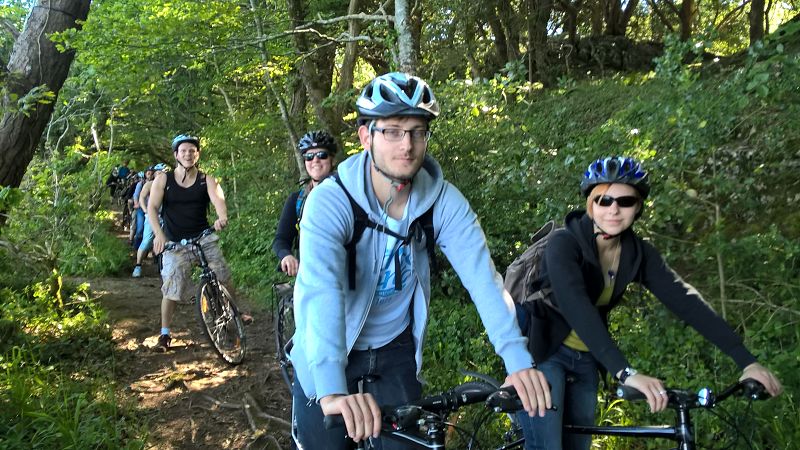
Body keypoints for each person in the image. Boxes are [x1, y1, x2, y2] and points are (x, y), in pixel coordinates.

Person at [290, 72, 551, 449]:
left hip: (394, 349)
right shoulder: (331, 201)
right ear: (365, 137)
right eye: (392, 131)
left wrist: (518, 360)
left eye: (417, 131)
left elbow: (484, 280)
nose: (407, 145)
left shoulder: (442, 201)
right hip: (327, 348)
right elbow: (321, 290)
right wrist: (331, 389)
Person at [514, 156, 783, 450]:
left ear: (638, 207)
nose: (613, 209)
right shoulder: (564, 243)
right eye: (604, 200)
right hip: (545, 352)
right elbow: (577, 306)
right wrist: (625, 372)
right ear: (590, 204)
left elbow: (686, 301)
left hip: (587, 358)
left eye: (625, 201)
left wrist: (747, 361)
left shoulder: (636, 253)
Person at [147, 135, 232, 352]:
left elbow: (218, 200)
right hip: (175, 241)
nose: (188, 154)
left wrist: (221, 217)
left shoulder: (206, 179)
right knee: (172, 287)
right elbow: (152, 208)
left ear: (198, 154)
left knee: (222, 274)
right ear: (176, 155)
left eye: (192, 151)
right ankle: (165, 333)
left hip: (203, 237)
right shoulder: (163, 180)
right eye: (183, 151)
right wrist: (159, 235)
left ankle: (234, 313)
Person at [272, 130, 338, 276]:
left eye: (322, 155)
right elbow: (281, 239)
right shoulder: (297, 200)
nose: (315, 160)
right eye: (309, 157)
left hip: (346, 275)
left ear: (332, 160)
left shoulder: (348, 194)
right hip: (311, 277)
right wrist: (286, 255)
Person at [132, 163, 169, 278]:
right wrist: (145, 210)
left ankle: (166, 267)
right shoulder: (149, 184)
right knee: (147, 241)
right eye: (158, 172)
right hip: (152, 216)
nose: (160, 175)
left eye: (163, 173)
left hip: (166, 217)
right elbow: (141, 197)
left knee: (168, 241)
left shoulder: (170, 185)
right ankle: (138, 265)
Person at [132, 168, 153, 250]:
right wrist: (136, 203)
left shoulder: (156, 183)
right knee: (140, 228)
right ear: (145, 174)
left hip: (152, 209)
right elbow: (136, 195)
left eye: (151, 173)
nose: (150, 175)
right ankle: (136, 247)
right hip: (141, 208)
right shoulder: (141, 184)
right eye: (148, 173)